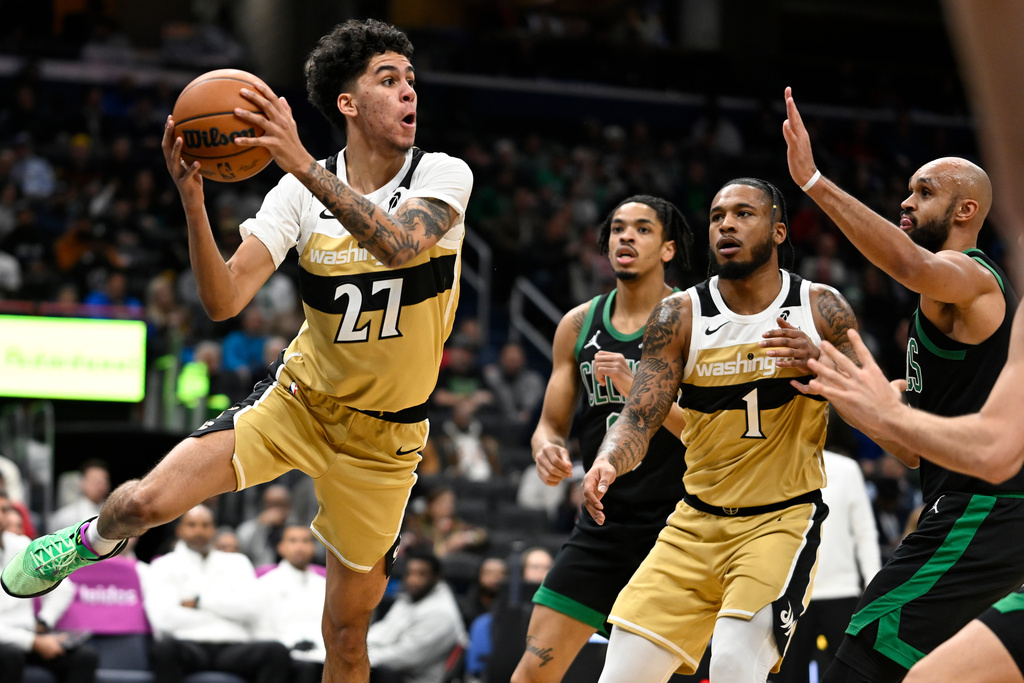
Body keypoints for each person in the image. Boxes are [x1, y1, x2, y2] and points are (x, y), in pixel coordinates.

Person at [1, 18, 474, 683]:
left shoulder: (442, 175)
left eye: (411, 81)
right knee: (140, 505)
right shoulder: (295, 193)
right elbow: (224, 301)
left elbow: (398, 243)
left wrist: (303, 165)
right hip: (298, 401)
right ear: (347, 102)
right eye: (388, 79)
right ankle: (84, 541)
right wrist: (193, 203)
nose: (408, 93)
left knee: (343, 632)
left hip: (385, 440)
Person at [783, 88, 1024, 682]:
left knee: (867, 644)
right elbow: (912, 444)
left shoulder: (973, 278)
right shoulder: (938, 307)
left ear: (965, 211)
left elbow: (911, 264)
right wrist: (830, 375)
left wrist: (814, 181)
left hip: (983, 510)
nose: (905, 201)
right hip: (968, 507)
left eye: (924, 192)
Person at [582, 178, 860, 682]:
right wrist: (608, 459)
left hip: (778, 521)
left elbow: (877, 405)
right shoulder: (678, 314)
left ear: (778, 231)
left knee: (734, 664)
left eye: (743, 214)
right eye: (716, 216)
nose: (726, 224)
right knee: (619, 673)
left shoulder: (821, 306)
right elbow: (640, 416)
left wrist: (822, 365)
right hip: (693, 523)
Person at [511, 194, 694, 683]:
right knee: (531, 674)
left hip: (676, 528)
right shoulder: (578, 323)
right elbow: (550, 424)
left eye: (642, 229)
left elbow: (709, 435)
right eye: (617, 229)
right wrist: (545, 448)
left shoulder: (695, 322)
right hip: (601, 524)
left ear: (669, 248)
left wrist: (643, 394)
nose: (625, 237)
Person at [144, 505, 290, 683]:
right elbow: (164, 619)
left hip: (232, 648)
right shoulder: (164, 565)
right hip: (188, 646)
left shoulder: (237, 562)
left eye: (205, 525)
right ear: (180, 530)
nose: (199, 530)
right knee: (165, 648)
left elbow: (253, 608)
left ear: (214, 530)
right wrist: (228, 613)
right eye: (192, 525)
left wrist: (199, 602)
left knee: (276, 651)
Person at [775, 449, 881, 683]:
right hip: (792, 594)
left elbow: (865, 532)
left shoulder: (847, 468)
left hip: (841, 592)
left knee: (852, 674)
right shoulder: (777, 464)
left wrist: (874, 588)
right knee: (789, 675)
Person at [0, 489, 98, 683]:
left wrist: (44, 621)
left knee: (85, 657)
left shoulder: (20, 544)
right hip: (8, 644)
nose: (4, 515)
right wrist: (33, 642)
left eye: (5, 509)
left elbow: (63, 587)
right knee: (9, 656)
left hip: (28, 635)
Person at [366, 544, 466, 683]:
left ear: (436, 578)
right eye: (410, 573)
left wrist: (357, 657)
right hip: (388, 671)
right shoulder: (411, 596)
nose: (413, 580)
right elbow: (383, 631)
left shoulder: (441, 614)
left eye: (421, 574)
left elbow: (403, 658)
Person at [255, 524, 327, 683]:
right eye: (293, 541)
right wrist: (289, 645)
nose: (300, 547)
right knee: (305, 669)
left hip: (321, 652)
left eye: (306, 541)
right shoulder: (266, 583)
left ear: (314, 547)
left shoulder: (324, 585)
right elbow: (260, 628)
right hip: (283, 653)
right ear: (281, 547)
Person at [48, 460, 110, 533]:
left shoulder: (112, 514)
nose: (99, 485)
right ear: (82, 482)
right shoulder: (64, 517)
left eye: (103, 480)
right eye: (94, 480)